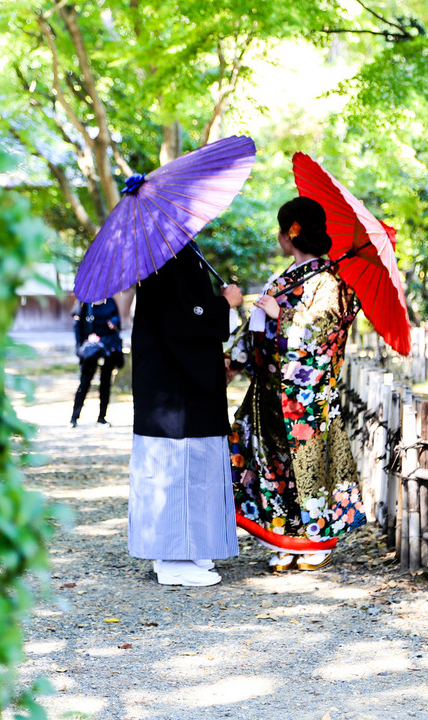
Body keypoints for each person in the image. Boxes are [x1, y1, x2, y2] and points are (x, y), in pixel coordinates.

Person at [228, 196, 366, 572]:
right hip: (270, 393)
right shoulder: (286, 277)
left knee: (308, 468)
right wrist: (234, 361)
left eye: (280, 228)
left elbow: (323, 335)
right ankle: (284, 537)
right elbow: (255, 330)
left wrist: (282, 314)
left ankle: (317, 540)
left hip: (308, 396)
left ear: (291, 232)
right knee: (273, 466)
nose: (277, 236)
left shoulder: (330, 282)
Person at [127, 242, 243, 586]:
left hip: (180, 382)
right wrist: (226, 303)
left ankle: (189, 549)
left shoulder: (175, 252)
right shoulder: (164, 257)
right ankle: (173, 557)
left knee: (192, 470)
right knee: (176, 470)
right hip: (173, 388)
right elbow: (182, 319)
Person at [71, 297, 123, 427]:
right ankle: (74, 418)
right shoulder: (85, 302)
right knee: (85, 382)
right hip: (91, 350)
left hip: (108, 348)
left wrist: (114, 322)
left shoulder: (110, 301)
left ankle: (102, 418)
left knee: (105, 383)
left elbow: (118, 321)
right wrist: (80, 345)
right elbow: (78, 325)